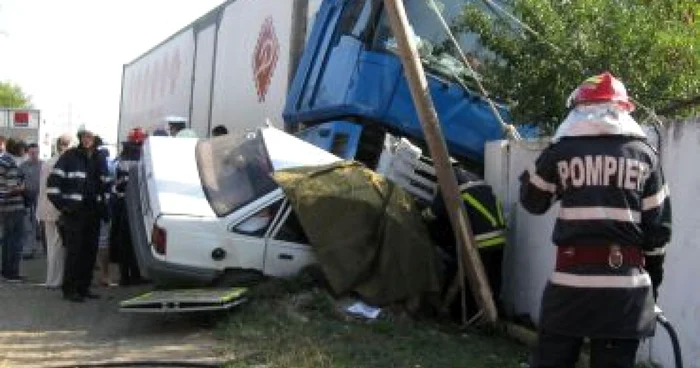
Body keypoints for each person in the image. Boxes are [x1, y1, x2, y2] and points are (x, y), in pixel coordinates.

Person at [519, 72, 671, 368]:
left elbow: (532, 202)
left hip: (569, 290)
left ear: (579, 109)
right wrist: (652, 284)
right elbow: (659, 233)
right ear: (623, 110)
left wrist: (535, 170)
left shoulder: (561, 152)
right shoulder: (645, 156)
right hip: (624, 295)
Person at [427, 166, 506, 318]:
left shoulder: (448, 182)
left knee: (466, 278)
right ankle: (493, 315)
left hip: (480, 240)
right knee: (492, 279)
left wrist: (421, 215)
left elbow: (433, 213)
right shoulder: (475, 180)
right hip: (500, 236)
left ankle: (461, 315)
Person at [47, 129, 111, 302]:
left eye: (90, 136)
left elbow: (106, 184)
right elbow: (53, 184)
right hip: (75, 213)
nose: (87, 139)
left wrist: (104, 206)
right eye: (84, 136)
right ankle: (70, 290)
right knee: (74, 252)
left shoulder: (100, 157)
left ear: (95, 139)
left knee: (89, 252)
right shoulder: (70, 156)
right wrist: (64, 207)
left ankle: (84, 287)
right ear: (80, 138)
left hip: (94, 212)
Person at [109, 127, 146, 286]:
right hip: (133, 206)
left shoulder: (121, 159)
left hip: (120, 204)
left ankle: (125, 276)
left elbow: (118, 184)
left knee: (123, 240)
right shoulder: (141, 159)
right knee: (134, 242)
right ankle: (135, 275)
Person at [38, 134, 72, 288]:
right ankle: (56, 280)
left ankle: (51, 279)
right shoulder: (63, 163)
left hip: (45, 209)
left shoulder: (47, 162)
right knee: (58, 246)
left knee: (52, 246)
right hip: (57, 209)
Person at [0, 138, 27, 282]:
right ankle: (11, 273)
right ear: (17, 148)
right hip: (12, 206)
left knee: (8, 240)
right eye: (23, 149)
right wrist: (22, 188)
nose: (24, 152)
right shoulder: (9, 163)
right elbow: (9, 187)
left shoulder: (4, 160)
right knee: (14, 241)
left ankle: (7, 272)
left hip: (7, 206)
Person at [20, 143, 43, 259]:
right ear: (28, 153)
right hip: (27, 198)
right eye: (32, 153)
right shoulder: (23, 166)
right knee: (28, 225)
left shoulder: (43, 165)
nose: (34, 155)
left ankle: (37, 247)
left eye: (36, 153)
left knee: (38, 224)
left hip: (40, 198)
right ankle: (28, 249)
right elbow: (19, 181)